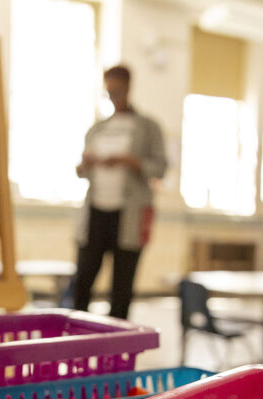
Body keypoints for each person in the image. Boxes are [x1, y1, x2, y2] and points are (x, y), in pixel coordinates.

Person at [72, 65, 167, 320]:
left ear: (128, 87)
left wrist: (131, 161)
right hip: (95, 213)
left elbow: (161, 168)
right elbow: (81, 172)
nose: (114, 95)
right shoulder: (98, 129)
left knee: (121, 288)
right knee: (82, 281)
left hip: (129, 217)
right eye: (109, 91)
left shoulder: (148, 127)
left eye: (118, 90)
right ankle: (77, 343)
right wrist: (87, 163)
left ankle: (116, 350)